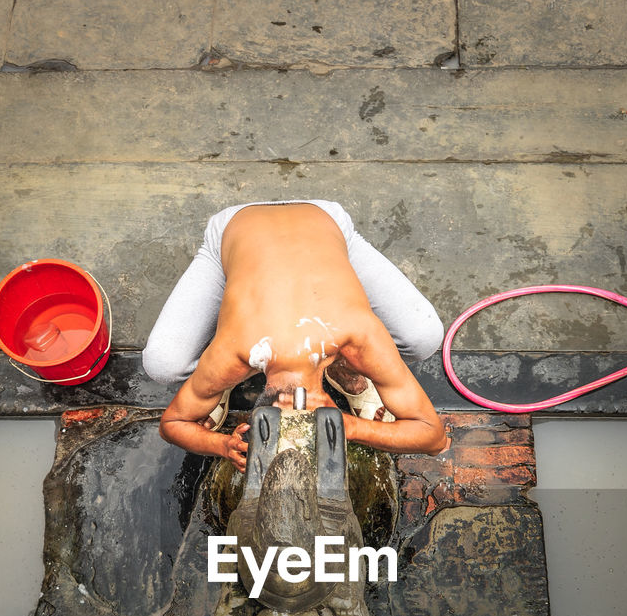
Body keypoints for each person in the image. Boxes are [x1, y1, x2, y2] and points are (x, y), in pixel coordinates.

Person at [143, 200, 449, 472]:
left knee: (424, 338)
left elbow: (435, 438)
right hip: (239, 231)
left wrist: (349, 427)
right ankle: (215, 384)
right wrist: (221, 446)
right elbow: (171, 424)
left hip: (322, 223)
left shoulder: (358, 336)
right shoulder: (235, 351)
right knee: (162, 364)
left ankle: (346, 372)